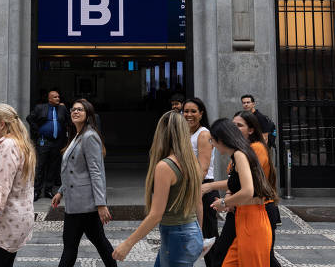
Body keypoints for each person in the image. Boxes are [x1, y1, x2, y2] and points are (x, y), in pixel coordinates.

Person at [112, 111, 203, 266]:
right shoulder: (191, 162)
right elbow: (198, 203)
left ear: (162, 134)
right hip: (191, 231)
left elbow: (156, 215)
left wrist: (127, 244)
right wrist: (199, 234)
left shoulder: (165, 166)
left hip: (176, 235)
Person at [51, 99, 116, 267]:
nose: (75, 112)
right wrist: (60, 191)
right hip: (76, 201)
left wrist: (101, 204)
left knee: (72, 247)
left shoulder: (89, 136)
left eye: (80, 109)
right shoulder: (77, 135)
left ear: (88, 115)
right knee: (96, 243)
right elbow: (72, 171)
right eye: (73, 109)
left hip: (85, 203)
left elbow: (96, 172)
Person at [209, 118, 275, 267]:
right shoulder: (240, 153)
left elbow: (248, 191)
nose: (212, 145)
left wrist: (224, 202)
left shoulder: (240, 154)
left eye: (212, 140)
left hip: (252, 222)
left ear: (221, 139)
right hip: (245, 219)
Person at [0, 103, 36, 267]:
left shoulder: (8, 146)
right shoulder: (21, 144)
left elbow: (1, 188)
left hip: (3, 223)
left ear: (2, 124)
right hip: (15, 220)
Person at [233, 111, 281, 267]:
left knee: (266, 258)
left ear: (251, 130)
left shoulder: (256, 148)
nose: (234, 129)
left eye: (239, 125)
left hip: (261, 207)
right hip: (244, 209)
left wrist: (223, 198)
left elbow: (249, 183)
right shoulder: (242, 149)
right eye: (233, 125)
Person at [182, 98, 218, 267]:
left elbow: (202, 169)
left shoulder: (203, 134)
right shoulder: (185, 133)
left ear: (201, 113)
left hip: (203, 189)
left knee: (208, 239)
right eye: (186, 111)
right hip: (190, 188)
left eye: (193, 111)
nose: (189, 115)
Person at [26, 89, 69, 200]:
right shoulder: (40, 108)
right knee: (40, 166)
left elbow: (68, 121)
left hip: (57, 141)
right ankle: (36, 191)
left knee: (53, 166)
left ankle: (48, 190)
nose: (58, 98)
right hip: (44, 141)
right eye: (55, 97)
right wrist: (37, 131)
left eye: (58, 97)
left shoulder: (62, 108)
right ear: (49, 99)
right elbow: (29, 118)